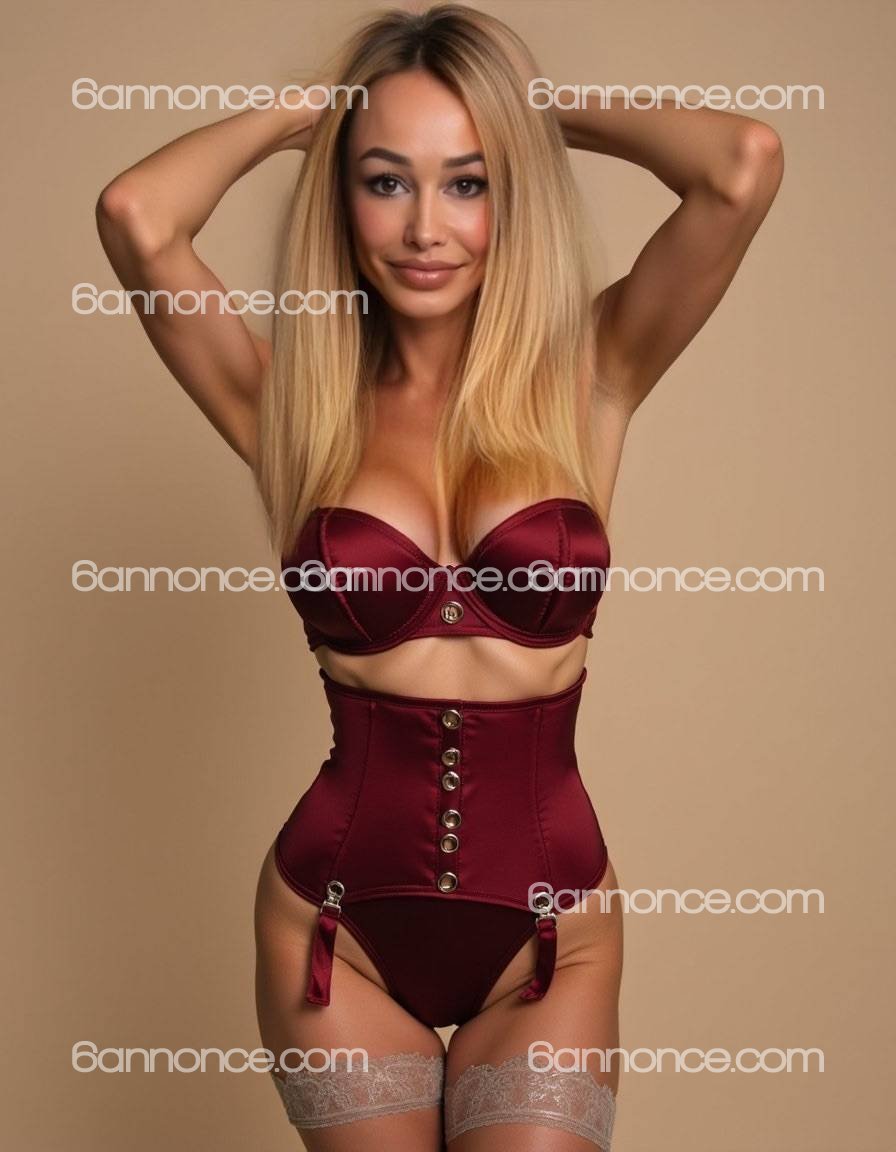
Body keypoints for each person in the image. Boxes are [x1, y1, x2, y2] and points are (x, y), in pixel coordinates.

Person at [96, 4, 783, 1148]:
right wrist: (308, 113)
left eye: (468, 182)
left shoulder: (592, 374)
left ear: (512, 195)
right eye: (385, 181)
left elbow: (740, 163)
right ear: (340, 197)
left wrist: (527, 111)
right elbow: (137, 214)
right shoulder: (286, 405)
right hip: (334, 928)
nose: (426, 227)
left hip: (549, 939)